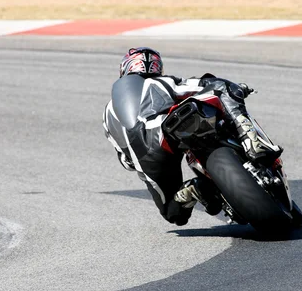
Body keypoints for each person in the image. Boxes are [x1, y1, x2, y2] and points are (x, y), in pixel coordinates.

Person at [102, 47, 281, 226]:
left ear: (124, 68)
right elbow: (205, 87)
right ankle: (250, 138)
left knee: (174, 214)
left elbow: (126, 162)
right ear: (157, 68)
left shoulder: (108, 114)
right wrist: (235, 88)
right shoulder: (159, 83)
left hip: (146, 159)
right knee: (222, 88)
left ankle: (196, 189)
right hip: (162, 130)